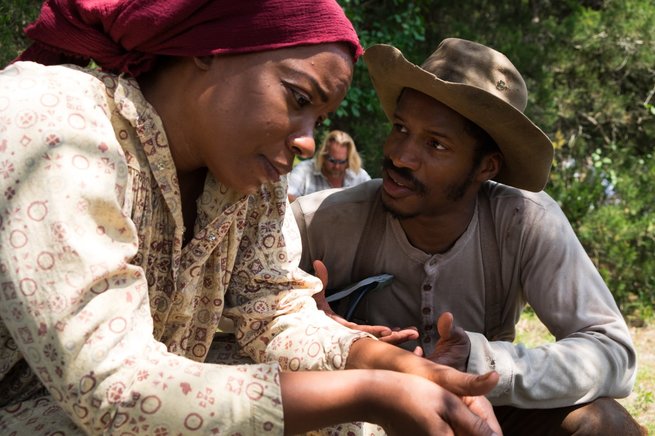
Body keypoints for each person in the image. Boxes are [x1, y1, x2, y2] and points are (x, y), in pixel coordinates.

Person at [0, 2, 504, 435]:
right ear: (208, 46)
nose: (308, 140)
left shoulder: (247, 179)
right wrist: (370, 391)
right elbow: (109, 387)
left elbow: (273, 309)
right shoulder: (57, 121)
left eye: (318, 121)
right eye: (298, 98)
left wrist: (390, 366)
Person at [292, 38, 646, 435]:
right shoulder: (321, 220)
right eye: (401, 128)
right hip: (361, 411)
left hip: (480, 412)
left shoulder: (524, 222)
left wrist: (479, 363)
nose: (400, 156)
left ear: (486, 167)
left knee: (606, 425)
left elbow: (611, 351)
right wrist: (314, 329)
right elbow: (245, 317)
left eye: (435, 144)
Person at [287, 130, 370, 202]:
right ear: (323, 155)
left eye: (342, 162)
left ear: (349, 160)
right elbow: (286, 196)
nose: (336, 166)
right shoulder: (304, 170)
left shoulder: (359, 176)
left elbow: (375, 200)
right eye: (332, 160)